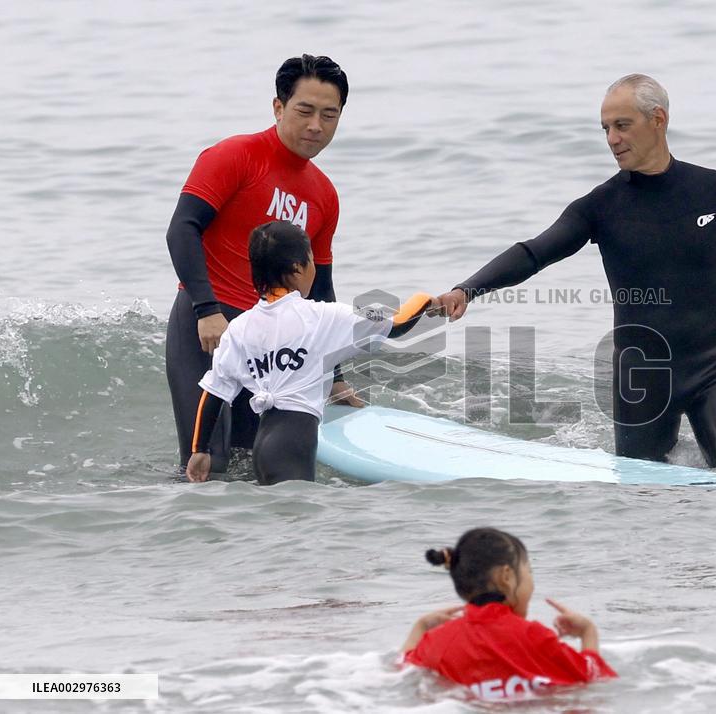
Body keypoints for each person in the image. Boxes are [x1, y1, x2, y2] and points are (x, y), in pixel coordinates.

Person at [436, 74, 716, 468]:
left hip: (714, 366)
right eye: (605, 128)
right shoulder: (600, 207)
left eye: (622, 125)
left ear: (658, 119)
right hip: (641, 378)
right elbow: (534, 253)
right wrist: (467, 290)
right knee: (641, 490)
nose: (612, 139)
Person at [166, 53, 361, 475]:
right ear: (278, 107)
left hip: (272, 339)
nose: (316, 125)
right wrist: (206, 309)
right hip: (209, 324)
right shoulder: (234, 156)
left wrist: (335, 375)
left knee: (251, 464)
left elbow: (321, 289)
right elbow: (181, 229)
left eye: (329, 115)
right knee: (207, 461)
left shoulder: (324, 195)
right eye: (304, 111)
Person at [186, 221, 435, 485]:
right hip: (292, 445)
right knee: (299, 511)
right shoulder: (321, 316)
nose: (315, 268)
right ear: (297, 269)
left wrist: (200, 450)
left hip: (263, 445)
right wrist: (426, 299)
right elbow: (397, 324)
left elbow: (213, 393)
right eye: (312, 260)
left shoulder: (240, 327)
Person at [402, 527, 616, 700]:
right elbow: (592, 676)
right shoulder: (535, 637)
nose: (531, 582)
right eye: (529, 571)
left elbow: (401, 673)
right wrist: (588, 633)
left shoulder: (437, 643)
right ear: (506, 577)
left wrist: (421, 627)